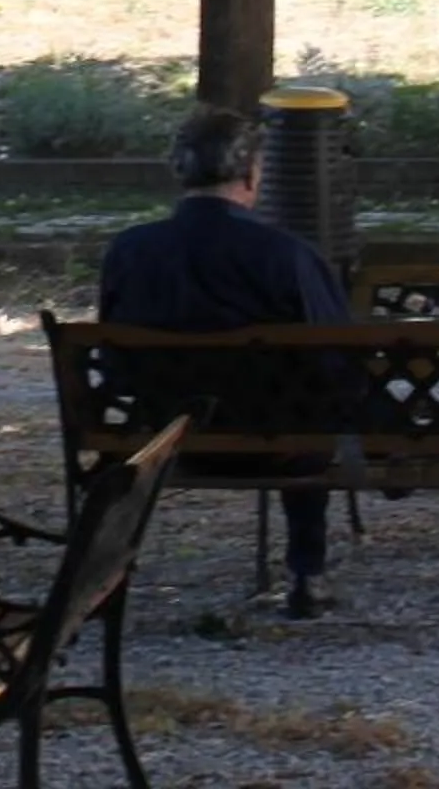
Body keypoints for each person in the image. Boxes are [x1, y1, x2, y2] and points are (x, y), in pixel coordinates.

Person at [98, 105, 350, 617]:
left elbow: (114, 361)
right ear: (252, 174)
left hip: (163, 441)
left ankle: (104, 574)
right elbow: (337, 359)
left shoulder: (129, 252)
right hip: (275, 445)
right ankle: (307, 571)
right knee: (312, 415)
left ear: (179, 172)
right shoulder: (288, 256)